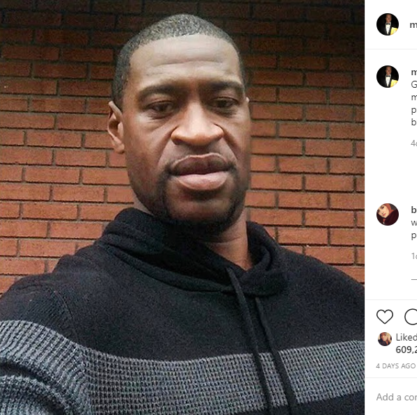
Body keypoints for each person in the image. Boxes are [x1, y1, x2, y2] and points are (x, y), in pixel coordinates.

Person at [0, 14, 364, 414]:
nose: (199, 131)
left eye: (223, 104)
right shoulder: (51, 324)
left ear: (247, 116)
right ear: (117, 129)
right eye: (161, 107)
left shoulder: (351, 306)